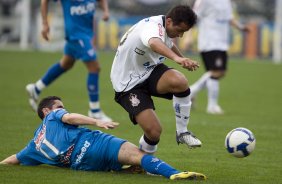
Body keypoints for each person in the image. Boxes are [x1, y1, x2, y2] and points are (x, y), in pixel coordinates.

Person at [0, 96, 207, 181]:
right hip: (94, 144)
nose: (64, 109)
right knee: (137, 154)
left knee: (131, 165)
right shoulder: (53, 117)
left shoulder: (33, 146)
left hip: (85, 165)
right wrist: (95, 121)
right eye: (60, 106)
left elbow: (13, 160)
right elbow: (71, 117)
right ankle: (175, 174)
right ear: (46, 111)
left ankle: (130, 169)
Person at [110, 5, 201, 154]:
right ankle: (141, 163)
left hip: (148, 70)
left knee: (180, 81)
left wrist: (182, 58)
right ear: (170, 21)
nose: (180, 36)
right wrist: (177, 59)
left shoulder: (164, 25)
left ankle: (182, 132)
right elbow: (154, 42)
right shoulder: (152, 27)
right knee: (154, 132)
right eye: (180, 31)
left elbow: (168, 44)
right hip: (128, 84)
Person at [25, 0, 112, 121]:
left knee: (66, 64)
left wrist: (106, 11)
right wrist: (45, 24)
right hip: (76, 35)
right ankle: (95, 110)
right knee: (94, 68)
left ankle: (36, 88)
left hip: (86, 34)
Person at [190, 0, 250, 114]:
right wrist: (189, 36)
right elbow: (193, 17)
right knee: (217, 72)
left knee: (219, 72)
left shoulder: (226, 2)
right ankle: (211, 106)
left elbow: (229, 17)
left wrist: (241, 27)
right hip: (209, 42)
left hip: (222, 42)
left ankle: (191, 92)